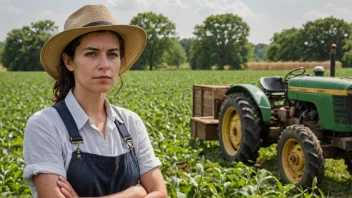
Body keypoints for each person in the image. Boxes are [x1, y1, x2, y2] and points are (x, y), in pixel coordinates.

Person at [23, 4, 167, 198]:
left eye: (112, 54)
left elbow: (160, 193)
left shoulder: (130, 122)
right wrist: (134, 193)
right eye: (91, 53)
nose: (105, 65)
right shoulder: (45, 125)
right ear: (69, 61)